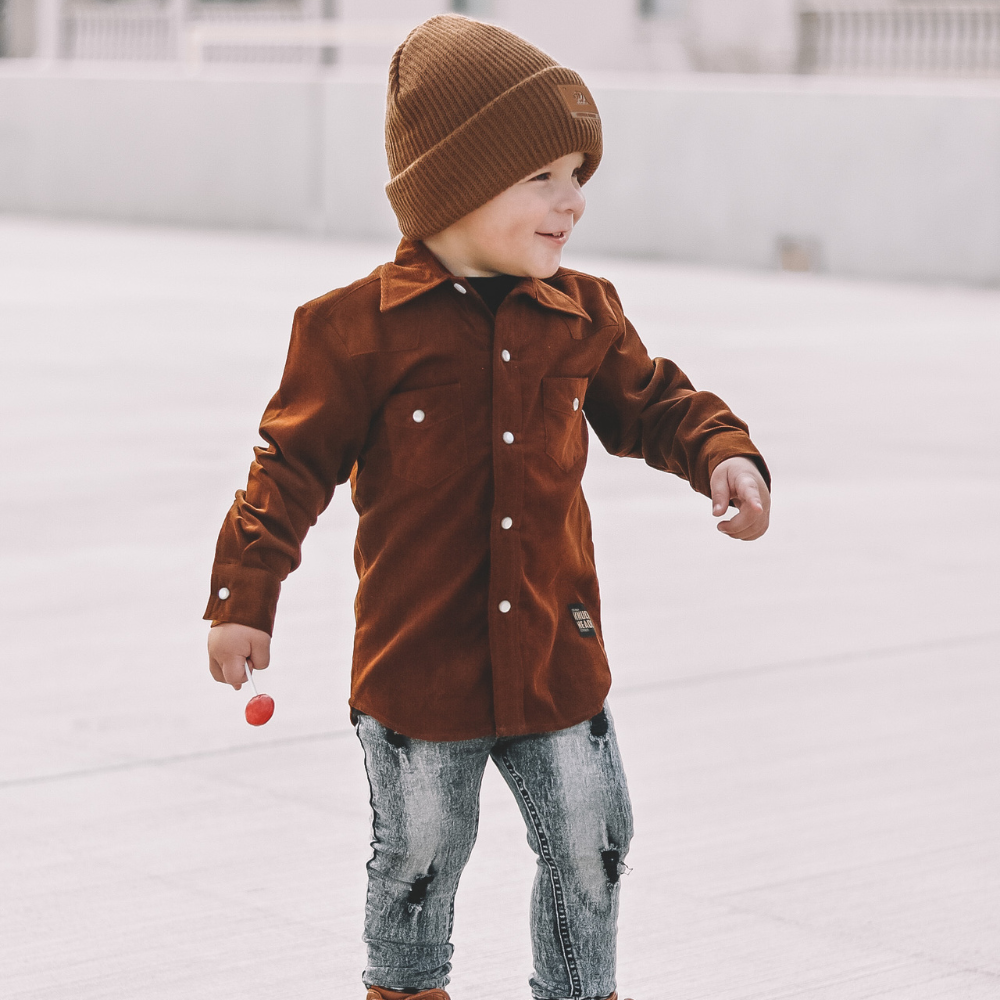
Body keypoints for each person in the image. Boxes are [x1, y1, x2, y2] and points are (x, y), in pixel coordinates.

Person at [204, 14, 770, 1000]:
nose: (573, 200)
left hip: (555, 655)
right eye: (542, 176)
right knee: (420, 856)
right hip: (420, 668)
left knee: (595, 840)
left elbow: (653, 402)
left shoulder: (583, 313)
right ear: (453, 186)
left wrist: (724, 452)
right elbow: (286, 470)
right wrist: (241, 596)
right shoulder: (351, 330)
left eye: (578, 173)